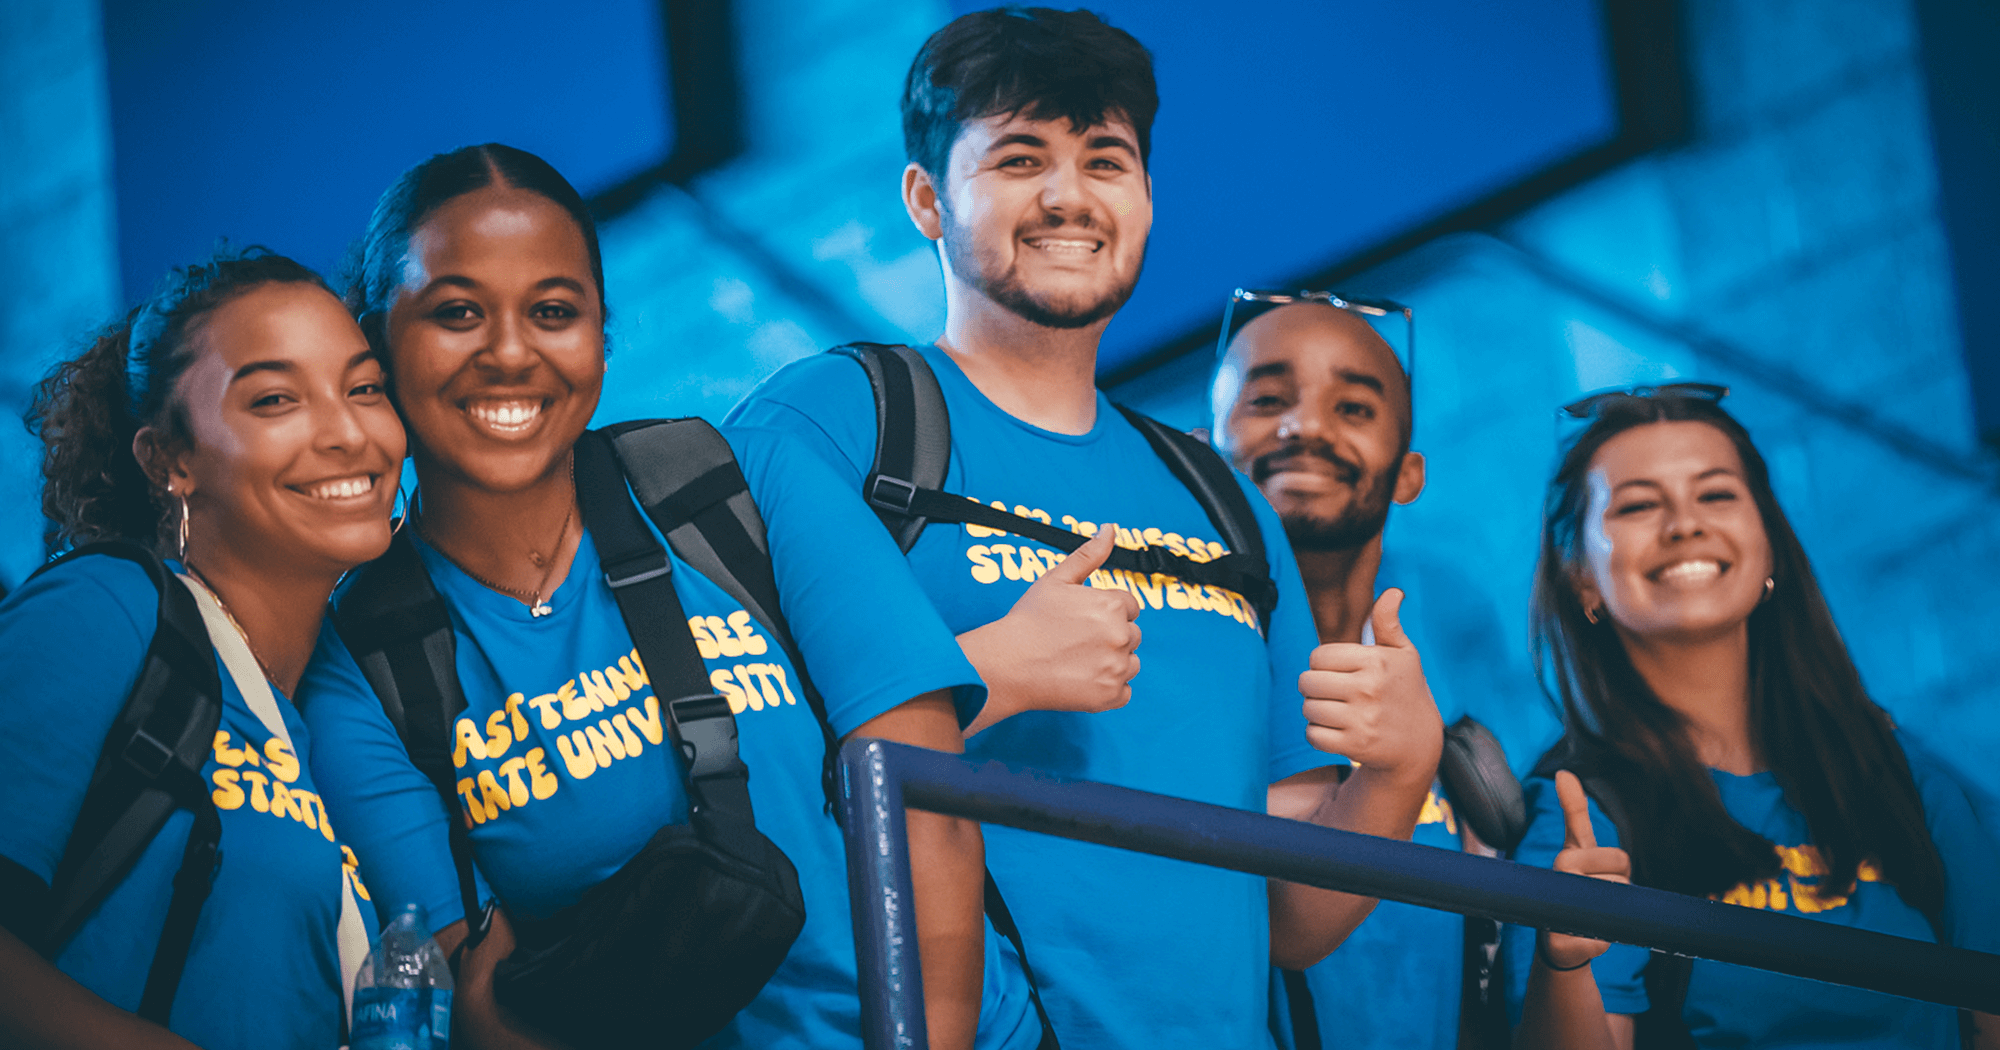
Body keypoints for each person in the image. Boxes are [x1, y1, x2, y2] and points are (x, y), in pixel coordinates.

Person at [728, 10, 1444, 1048]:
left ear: (1146, 198)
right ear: (926, 199)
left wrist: (1395, 772)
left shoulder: (1215, 493)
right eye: (1019, 159)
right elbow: (741, 773)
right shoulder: (833, 422)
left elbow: (1289, 919)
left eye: (1104, 160)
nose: (1067, 195)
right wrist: (987, 676)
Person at [301, 143, 1038, 1050]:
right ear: (373, 343)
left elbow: (923, 809)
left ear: (600, 334)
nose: (508, 352)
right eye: (457, 312)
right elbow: (481, 1011)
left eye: (553, 311)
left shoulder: (735, 483)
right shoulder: (364, 667)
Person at [1504, 387, 2000, 1049]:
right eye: (1639, 504)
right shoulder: (1581, 815)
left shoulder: (1901, 774)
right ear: (1583, 577)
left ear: (1767, 546)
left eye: (1715, 494)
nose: (1685, 524)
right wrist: (1564, 965)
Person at [0, 249, 404, 1048]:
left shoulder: (333, 715)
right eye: (276, 399)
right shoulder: (103, 610)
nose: (347, 430)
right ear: (168, 460)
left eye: (364, 388)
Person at [1210, 293, 1516, 1050]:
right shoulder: (1162, 695)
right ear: (1197, 452)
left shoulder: (1469, 726)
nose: (1306, 426)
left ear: (1409, 473)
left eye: (1353, 408)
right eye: (1269, 400)